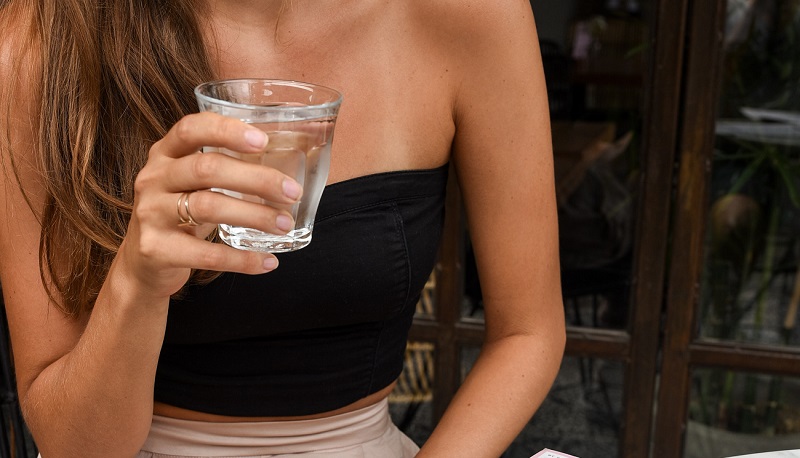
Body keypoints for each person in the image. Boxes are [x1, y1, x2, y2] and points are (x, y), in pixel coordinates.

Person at [0, 0, 566, 456]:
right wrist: (138, 283)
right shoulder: (46, 37)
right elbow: (71, 445)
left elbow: (527, 333)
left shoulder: (466, 14)